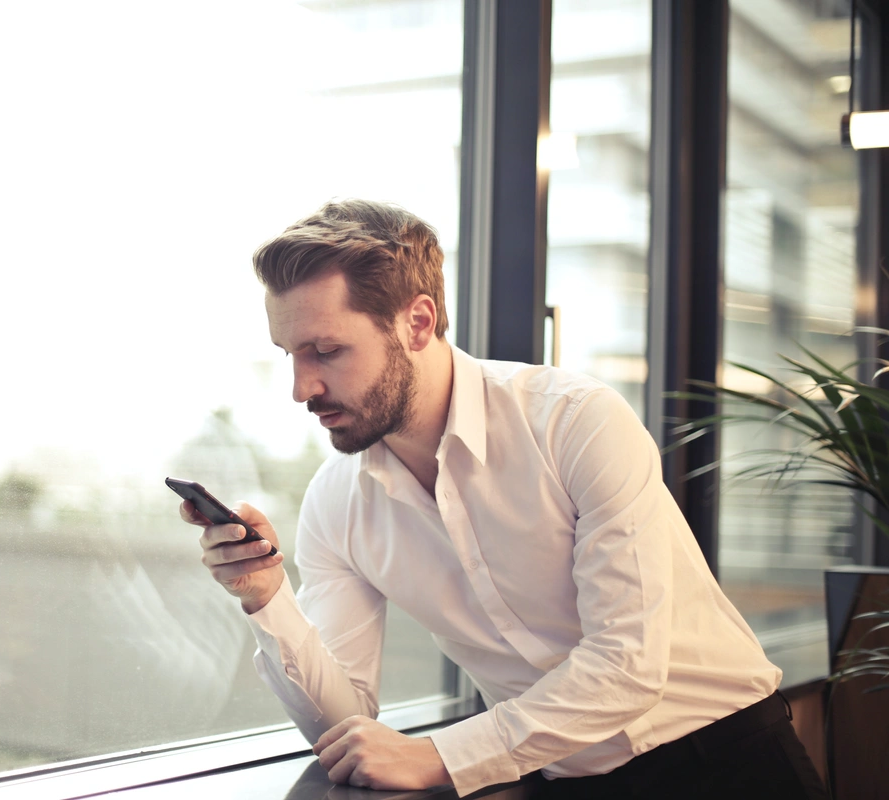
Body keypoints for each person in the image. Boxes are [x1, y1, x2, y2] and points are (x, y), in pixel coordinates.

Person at [178, 199, 828, 799]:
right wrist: (267, 599)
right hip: (556, 781)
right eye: (291, 353)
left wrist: (442, 755)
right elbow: (346, 728)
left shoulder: (575, 421)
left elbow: (627, 664)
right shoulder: (336, 505)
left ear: (418, 321)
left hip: (726, 762)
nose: (300, 387)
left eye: (326, 351)